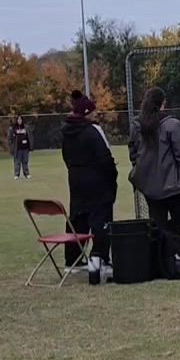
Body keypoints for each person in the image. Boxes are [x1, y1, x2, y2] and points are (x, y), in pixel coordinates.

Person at [60, 91, 118, 274]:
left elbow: (66, 157)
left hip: (76, 181)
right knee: (101, 218)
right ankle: (99, 258)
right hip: (97, 182)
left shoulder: (66, 133)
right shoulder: (92, 131)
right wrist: (112, 177)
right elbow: (105, 158)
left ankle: (73, 260)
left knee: (78, 218)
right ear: (86, 113)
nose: (96, 114)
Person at [129, 87, 180, 237]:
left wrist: (139, 171)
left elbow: (133, 152)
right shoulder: (172, 125)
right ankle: (166, 243)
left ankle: (161, 244)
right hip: (174, 186)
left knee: (158, 223)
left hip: (150, 185)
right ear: (163, 103)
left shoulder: (137, 126)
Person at [8, 114, 32, 179]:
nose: (19, 120)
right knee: (17, 162)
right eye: (18, 119)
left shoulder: (26, 127)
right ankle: (16, 174)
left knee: (25, 162)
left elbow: (29, 137)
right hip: (17, 149)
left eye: (20, 119)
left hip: (25, 148)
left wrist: (30, 146)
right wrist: (11, 147)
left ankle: (26, 174)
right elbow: (10, 139)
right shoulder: (13, 128)